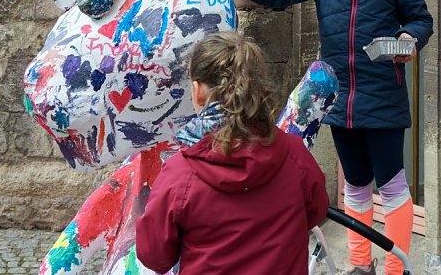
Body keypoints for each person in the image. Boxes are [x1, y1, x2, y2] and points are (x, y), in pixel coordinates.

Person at [224, 0, 433, 275]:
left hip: (383, 97)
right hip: (340, 101)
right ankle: (360, 265)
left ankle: (396, 269)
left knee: (391, 185)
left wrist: (410, 37)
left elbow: (421, 19)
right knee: (354, 183)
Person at [135, 31, 329, 274]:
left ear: (198, 91)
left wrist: (142, 217)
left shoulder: (180, 174)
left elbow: (155, 257)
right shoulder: (295, 155)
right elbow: (316, 211)